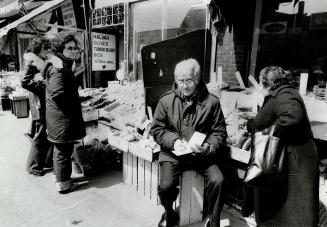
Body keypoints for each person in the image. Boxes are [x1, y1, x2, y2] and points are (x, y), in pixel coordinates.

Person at [150, 58, 227, 227]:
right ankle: (169, 212)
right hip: (172, 153)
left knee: (218, 181)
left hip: (201, 154)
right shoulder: (166, 101)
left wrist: (208, 146)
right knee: (166, 186)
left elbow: (219, 132)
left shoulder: (212, 102)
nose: (184, 86)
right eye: (180, 81)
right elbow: (156, 130)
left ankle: (214, 221)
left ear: (197, 79)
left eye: (189, 81)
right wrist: (174, 141)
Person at [245, 66, 319, 226]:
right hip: (283, 163)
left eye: (259, 82)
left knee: (293, 215)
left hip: (292, 164)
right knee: (279, 213)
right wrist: (253, 125)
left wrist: (265, 134)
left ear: (265, 82)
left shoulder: (286, 94)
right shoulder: (278, 95)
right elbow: (271, 118)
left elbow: (292, 117)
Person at [44, 34, 86, 193]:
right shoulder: (58, 68)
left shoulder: (62, 65)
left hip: (59, 118)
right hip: (61, 118)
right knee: (63, 151)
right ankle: (63, 184)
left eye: (75, 48)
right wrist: (74, 103)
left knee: (62, 149)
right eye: (70, 48)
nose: (74, 50)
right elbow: (58, 93)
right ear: (60, 49)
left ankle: (60, 178)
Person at [21, 37, 53, 176]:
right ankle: (33, 166)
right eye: (45, 48)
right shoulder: (32, 61)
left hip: (41, 102)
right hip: (39, 103)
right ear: (38, 49)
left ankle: (45, 161)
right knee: (40, 135)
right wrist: (43, 86)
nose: (47, 51)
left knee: (44, 134)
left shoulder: (37, 60)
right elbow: (25, 82)